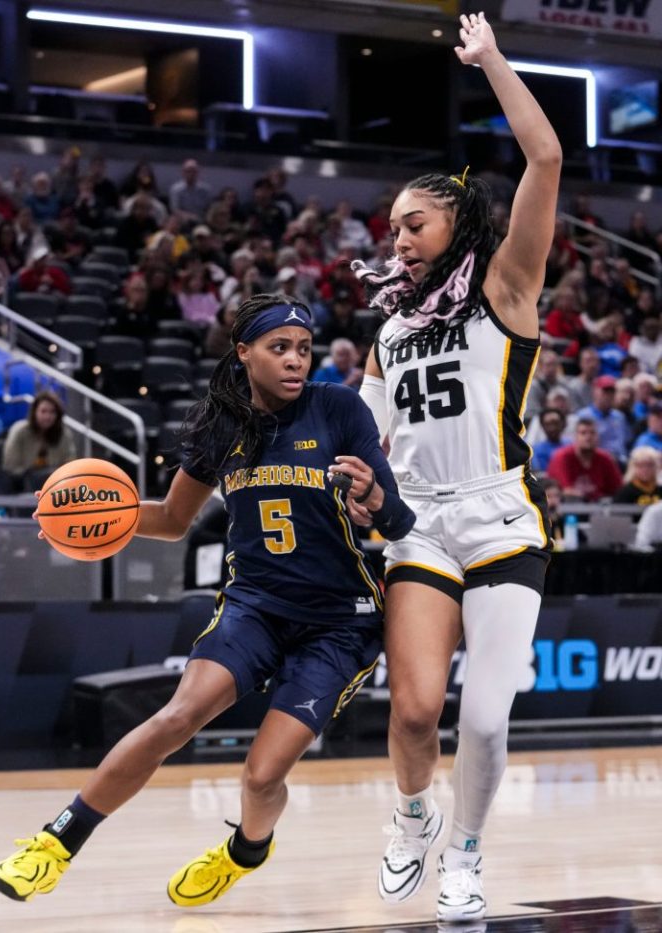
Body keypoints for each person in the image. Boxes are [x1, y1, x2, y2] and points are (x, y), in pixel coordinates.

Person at [0, 293, 415, 904]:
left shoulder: (338, 408)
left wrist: (374, 497)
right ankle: (55, 845)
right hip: (254, 608)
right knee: (176, 718)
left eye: (303, 348)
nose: (296, 360)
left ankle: (246, 850)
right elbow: (171, 519)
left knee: (261, 777)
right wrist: (90, 517)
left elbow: (397, 523)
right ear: (244, 353)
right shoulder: (221, 425)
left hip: (337, 625)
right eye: (279, 348)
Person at [352, 13, 560, 923]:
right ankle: (412, 817)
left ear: (456, 221)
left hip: (502, 516)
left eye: (414, 223)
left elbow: (545, 158)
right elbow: (367, 433)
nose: (397, 237)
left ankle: (466, 854)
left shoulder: (508, 287)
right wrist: (348, 479)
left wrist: (493, 63)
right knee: (411, 713)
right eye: (392, 226)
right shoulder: (389, 329)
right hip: (420, 523)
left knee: (482, 717)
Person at [2, 391, 76, 480]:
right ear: (34, 412)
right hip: (21, 482)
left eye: (52, 412)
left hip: (56, 481)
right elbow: (10, 466)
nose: (47, 416)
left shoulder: (64, 434)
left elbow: (70, 464)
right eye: (43, 411)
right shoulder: (19, 430)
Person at [547, 417, 623, 502]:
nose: (588, 437)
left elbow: (618, 490)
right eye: (583, 433)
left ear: (598, 437)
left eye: (592, 433)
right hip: (568, 506)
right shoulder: (561, 458)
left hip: (601, 507)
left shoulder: (605, 458)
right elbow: (565, 491)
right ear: (575, 437)